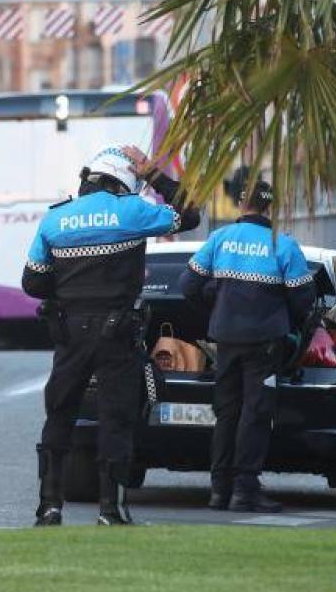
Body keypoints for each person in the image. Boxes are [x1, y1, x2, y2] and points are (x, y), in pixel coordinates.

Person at [23, 145, 200, 526]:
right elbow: (190, 214)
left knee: (60, 414)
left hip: (70, 334)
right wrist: (154, 173)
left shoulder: (55, 220)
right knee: (116, 419)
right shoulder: (133, 212)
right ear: (125, 182)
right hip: (118, 333)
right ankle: (111, 509)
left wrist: (68, 291)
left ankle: (49, 506)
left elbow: (32, 282)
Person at [179, 180, 315, 512]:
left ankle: (218, 491)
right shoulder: (283, 246)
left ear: (241, 205)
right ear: (271, 207)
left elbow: (187, 286)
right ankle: (245, 491)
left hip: (226, 340)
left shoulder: (219, 239)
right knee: (254, 414)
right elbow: (304, 301)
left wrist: (216, 306)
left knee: (226, 413)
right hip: (265, 344)